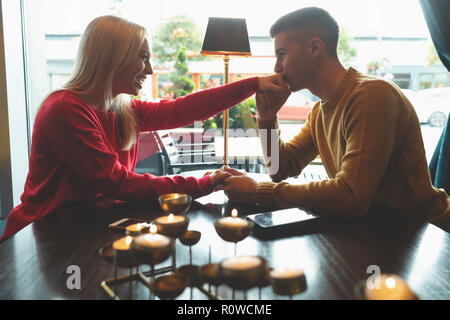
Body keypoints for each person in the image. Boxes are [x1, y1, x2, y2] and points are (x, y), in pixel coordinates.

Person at [0, 15, 289, 241]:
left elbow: (183, 109)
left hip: (86, 224)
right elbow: (119, 182)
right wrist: (205, 182)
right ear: (114, 58)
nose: (150, 69)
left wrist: (253, 85)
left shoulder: (123, 108)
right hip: (42, 235)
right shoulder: (65, 109)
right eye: (143, 57)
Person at [223, 7, 449, 223]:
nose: (276, 68)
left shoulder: (372, 95)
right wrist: (267, 118)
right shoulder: (320, 111)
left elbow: (351, 196)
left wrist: (259, 192)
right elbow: (280, 168)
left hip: (428, 232)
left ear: (314, 48)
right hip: (380, 231)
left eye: (281, 54)